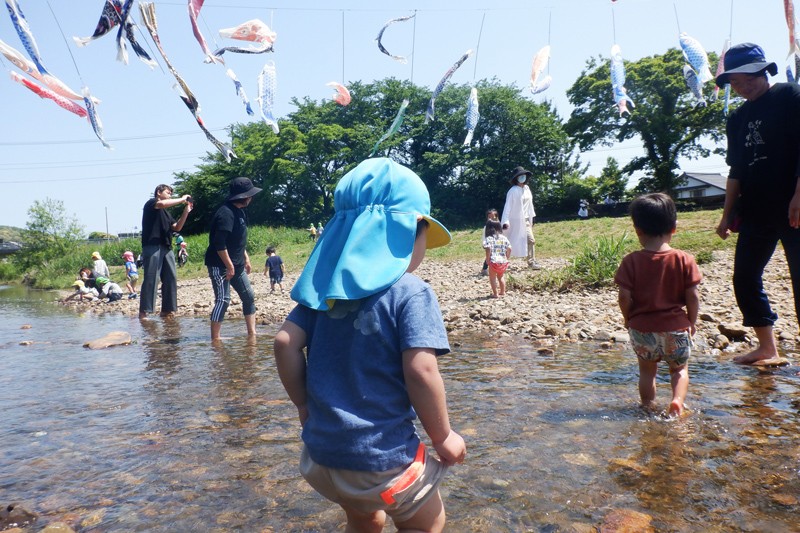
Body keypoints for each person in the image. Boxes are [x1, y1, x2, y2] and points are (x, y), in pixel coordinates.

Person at [273, 158, 466, 533]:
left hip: (322, 458)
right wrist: (443, 437)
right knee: (427, 522)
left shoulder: (318, 293)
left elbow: (284, 344)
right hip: (386, 464)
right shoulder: (411, 293)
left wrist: (303, 406)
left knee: (364, 517)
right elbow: (421, 370)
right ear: (407, 232)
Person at [715, 42, 800, 365]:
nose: (742, 86)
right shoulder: (737, 117)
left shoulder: (790, 96)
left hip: (793, 204)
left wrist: (798, 195)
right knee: (744, 276)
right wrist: (726, 215)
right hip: (755, 208)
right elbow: (736, 169)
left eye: (748, 77)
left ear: (764, 70)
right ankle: (767, 347)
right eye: (734, 82)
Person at [615, 193, 702, 417]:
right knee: (679, 369)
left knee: (647, 372)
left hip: (643, 328)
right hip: (676, 327)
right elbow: (692, 296)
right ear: (674, 227)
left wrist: (628, 319)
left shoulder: (631, 260)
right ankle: (677, 402)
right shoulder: (684, 259)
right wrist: (691, 321)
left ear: (637, 230)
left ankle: (647, 406)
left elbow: (624, 296)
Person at [205, 177, 262, 340]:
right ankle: (215, 339)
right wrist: (229, 266)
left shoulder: (240, 212)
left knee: (248, 297)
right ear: (242, 196)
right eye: (250, 195)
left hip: (236, 264)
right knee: (223, 299)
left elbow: (238, 240)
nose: (251, 198)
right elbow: (219, 243)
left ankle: (252, 333)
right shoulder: (225, 214)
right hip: (219, 264)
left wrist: (246, 258)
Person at [139, 184, 193, 320]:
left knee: (171, 277)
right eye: (168, 192)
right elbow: (162, 204)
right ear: (158, 192)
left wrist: (186, 211)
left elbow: (177, 227)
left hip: (166, 246)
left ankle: (167, 310)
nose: (170, 195)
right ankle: (144, 312)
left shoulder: (167, 214)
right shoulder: (152, 203)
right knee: (152, 277)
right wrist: (181, 199)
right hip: (152, 245)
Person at [501, 166, 540, 269]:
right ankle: (504, 262)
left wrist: (532, 218)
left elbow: (530, 205)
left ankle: (531, 262)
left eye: (524, 176)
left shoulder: (527, 189)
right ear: (516, 178)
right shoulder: (513, 191)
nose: (523, 178)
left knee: (530, 240)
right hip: (514, 221)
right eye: (520, 176)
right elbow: (507, 207)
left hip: (525, 220)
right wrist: (505, 220)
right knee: (509, 241)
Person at [483, 219, 512, 298]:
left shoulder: (489, 238)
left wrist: (488, 259)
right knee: (501, 277)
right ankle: (502, 292)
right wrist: (507, 258)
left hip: (493, 261)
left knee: (492, 278)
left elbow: (488, 249)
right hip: (502, 261)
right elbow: (509, 248)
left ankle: (495, 294)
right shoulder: (504, 238)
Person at [480, 208, 499, 276]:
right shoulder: (486, 227)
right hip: (489, 244)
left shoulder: (498, 226)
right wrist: (484, 243)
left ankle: (498, 268)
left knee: (498, 256)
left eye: (493, 217)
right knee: (489, 256)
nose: (491, 218)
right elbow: (484, 236)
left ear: (497, 217)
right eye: (489, 217)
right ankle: (484, 269)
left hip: (497, 244)